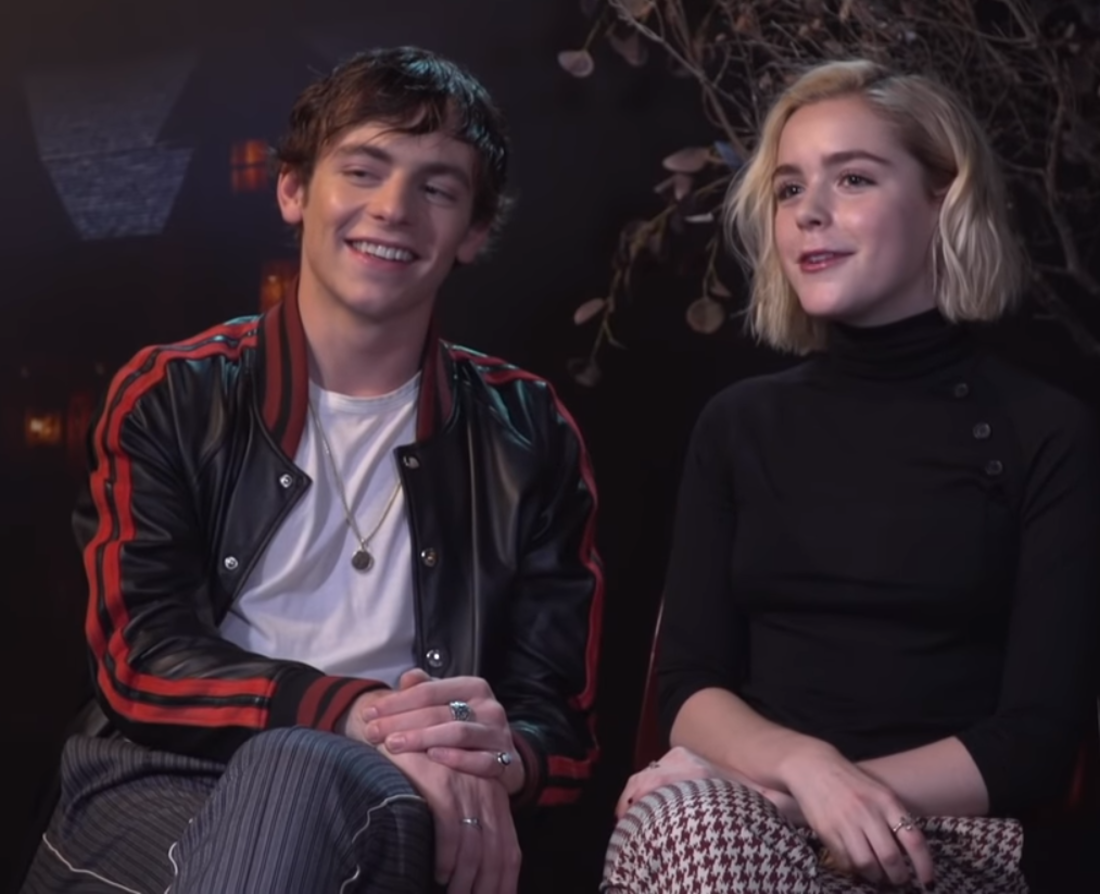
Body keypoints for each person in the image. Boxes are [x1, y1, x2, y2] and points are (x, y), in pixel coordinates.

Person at [21, 46, 603, 894]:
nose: (393, 208)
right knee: (294, 764)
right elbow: (140, 657)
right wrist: (353, 714)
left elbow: (559, 719)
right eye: (363, 170)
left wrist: (489, 756)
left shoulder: (529, 430)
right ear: (294, 190)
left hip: (398, 793)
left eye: (437, 188)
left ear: (474, 232)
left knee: (304, 773)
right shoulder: (173, 394)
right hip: (156, 776)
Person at [603, 59, 1100, 893]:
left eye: (854, 178)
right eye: (790, 188)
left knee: (689, 823)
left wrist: (808, 799)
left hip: (944, 842)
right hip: (735, 824)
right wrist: (805, 770)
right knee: (689, 827)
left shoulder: (1047, 432)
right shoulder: (739, 425)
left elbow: (1036, 743)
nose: (810, 212)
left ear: (943, 198)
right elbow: (688, 687)